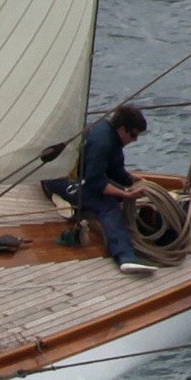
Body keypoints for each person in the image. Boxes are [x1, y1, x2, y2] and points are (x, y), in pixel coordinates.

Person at [74, 102, 159, 279]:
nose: (135, 140)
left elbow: (114, 170)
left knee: (117, 195)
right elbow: (95, 181)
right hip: (65, 179)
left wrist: (130, 180)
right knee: (108, 206)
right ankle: (125, 256)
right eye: (134, 135)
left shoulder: (112, 137)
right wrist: (126, 194)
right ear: (122, 129)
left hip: (86, 175)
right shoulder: (103, 142)